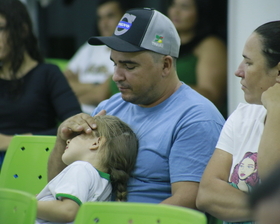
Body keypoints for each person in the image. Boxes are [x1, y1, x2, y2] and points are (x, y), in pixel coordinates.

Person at [48, 7, 225, 209]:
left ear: (166, 65)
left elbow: (188, 202)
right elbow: (58, 189)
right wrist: (62, 140)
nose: (116, 76)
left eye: (129, 66)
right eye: (114, 64)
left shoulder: (196, 118)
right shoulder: (110, 106)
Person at [196, 20, 280, 224]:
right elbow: (206, 194)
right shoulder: (244, 114)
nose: (238, 71)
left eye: (249, 63)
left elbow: (273, 188)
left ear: (278, 72)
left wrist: (276, 108)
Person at [0, 0, 82, 168]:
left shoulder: (47, 73)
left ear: (22, 30)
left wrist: (15, 141)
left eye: (0, 29)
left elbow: (76, 125)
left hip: (34, 162)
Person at [36, 115, 138, 224]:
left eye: (78, 135)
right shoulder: (105, 184)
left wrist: (26, 203)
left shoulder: (80, 168)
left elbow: (68, 211)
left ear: (96, 143)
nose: (68, 141)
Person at [64, 0, 130, 114]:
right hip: (73, 115)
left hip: (102, 118)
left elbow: (101, 95)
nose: (104, 23)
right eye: (100, 18)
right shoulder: (91, 46)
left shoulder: (127, 52)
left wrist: (76, 87)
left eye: (110, 16)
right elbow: (63, 84)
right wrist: (95, 85)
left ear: (124, 19)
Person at [167, 0, 227, 117]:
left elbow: (213, 95)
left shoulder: (211, 44)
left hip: (198, 118)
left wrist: (164, 88)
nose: (176, 12)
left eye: (184, 7)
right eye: (173, 5)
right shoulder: (166, 42)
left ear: (201, 12)